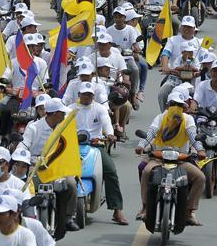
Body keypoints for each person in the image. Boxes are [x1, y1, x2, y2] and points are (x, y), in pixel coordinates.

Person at [135, 93, 206, 226]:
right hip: (159, 158)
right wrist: (141, 145)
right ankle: (145, 207)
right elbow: (151, 132)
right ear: (168, 105)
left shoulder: (188, 119)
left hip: (181, 160)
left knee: (200, 177)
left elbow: (192, 135)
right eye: (173, 104)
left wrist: (200, 150)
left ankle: (189, 211)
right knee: (145, 171)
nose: (176, 108)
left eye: (179, 105)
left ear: (184, 108)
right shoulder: (160, 118)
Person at [18, 98, 79, 236]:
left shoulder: (64, 127)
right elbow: (24, 145)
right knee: (21, 188)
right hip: (36, 167)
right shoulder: (34, 127)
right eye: (62, 113)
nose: (64, 116)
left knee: (71, 184)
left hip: (57, 167)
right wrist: (22, 155)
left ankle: (68, 218)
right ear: (55, 113)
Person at [71, 82, 129, 225]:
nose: (87, 97)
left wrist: (110, 134)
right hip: (73, 147)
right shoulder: (70, 110)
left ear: (93, 96)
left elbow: (106, 123)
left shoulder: (100, 108)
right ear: (79, 95)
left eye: (90, 94)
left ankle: (117, 209)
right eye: (84, 94)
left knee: (111, 171)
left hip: (95, 146)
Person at [108, 6, 145, 108]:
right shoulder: (109, 30)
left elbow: (134, 43)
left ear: (124, 18)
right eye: (116, 16)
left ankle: (133, 94)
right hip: (113, 58)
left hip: (127, 58)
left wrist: (137, 48)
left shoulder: (130, 29)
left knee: (135, 69)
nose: (118, 19)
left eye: (120, 16)